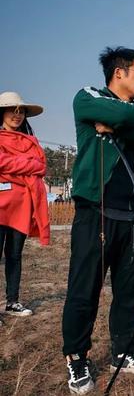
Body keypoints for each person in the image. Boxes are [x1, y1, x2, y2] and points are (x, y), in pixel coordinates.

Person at [61, 47, 134, 395]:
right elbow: (97, 109)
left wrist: (118, 126)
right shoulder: (89, 94)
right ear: (119, 72)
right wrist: (130, 120)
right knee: (84, 289)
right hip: (96, 212)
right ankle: (77, 357)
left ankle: (124, 348)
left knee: (131, 290)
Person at [0, 91, 50, 320]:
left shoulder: (31, 141)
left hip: (21, 208)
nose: (17, 115)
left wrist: (13, 171)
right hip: (1, 206)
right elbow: (2, 161)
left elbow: (41, 166)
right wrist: (27, 165)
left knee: (15, 255)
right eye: (13, 110)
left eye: (21, 111)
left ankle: (12, 301)